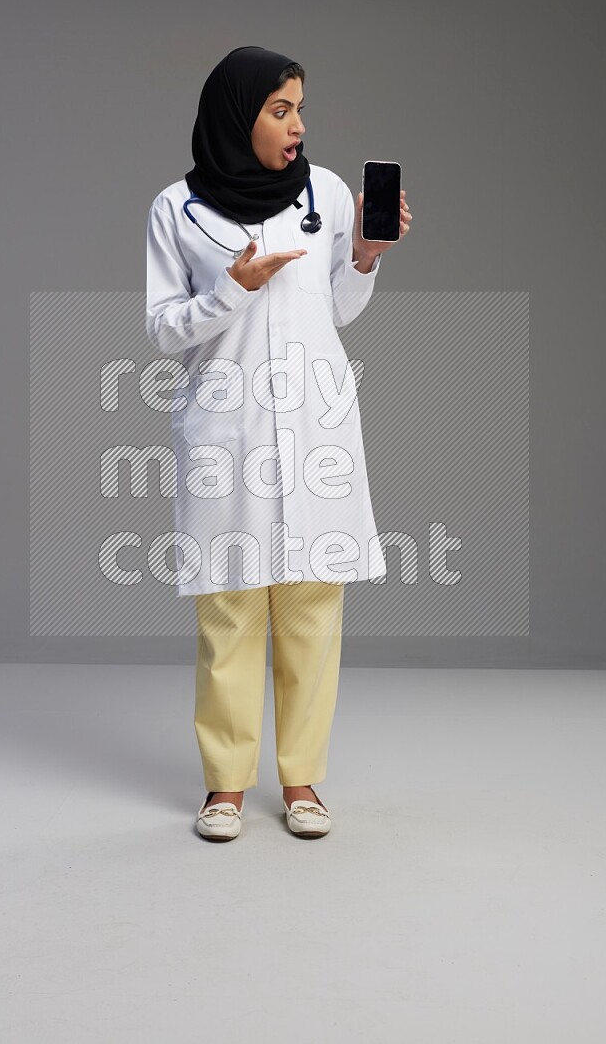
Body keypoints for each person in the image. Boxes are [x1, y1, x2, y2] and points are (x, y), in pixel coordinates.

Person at [145, 46, 412, 840]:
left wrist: (365, 253)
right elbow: (162, 328)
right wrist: (233, 288)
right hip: (230, 432)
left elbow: (339, 308)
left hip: (316, 428)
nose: (298, 124)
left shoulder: (325, 193)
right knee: (228, 613)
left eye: (299, 107)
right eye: (280, 109)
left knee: (310, 614)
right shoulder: (176, 209)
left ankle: (301, 782)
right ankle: (224, 787)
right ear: (238, 115)